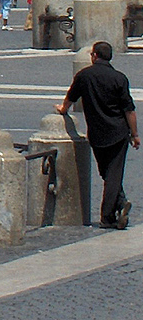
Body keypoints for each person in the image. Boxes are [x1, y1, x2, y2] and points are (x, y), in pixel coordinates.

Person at [55, 41, 138, 229]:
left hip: (97, 133)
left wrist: (63, 109)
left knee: (106, 173)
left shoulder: (84, 76)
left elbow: (70, 97)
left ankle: (111, 213)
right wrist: (135, 134)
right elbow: (129, 110)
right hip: (118, 131)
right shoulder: (119, 78)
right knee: (113, 174)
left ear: (94, 56)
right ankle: (113, 211)